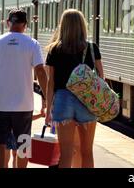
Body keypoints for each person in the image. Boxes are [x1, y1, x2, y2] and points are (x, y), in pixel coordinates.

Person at [0, 9, 48, 168]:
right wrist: (46, 97)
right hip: (23, 105)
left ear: (8, 22)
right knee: (23, 143)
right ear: (25, 24)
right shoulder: (32, 44)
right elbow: (40, 71)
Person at [45, 9, 105, 168]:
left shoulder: (54, 49)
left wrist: (47, 108)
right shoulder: (92, 48)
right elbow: (101, 78)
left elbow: (50, 82)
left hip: (62, 100)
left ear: (62, 26)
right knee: (86, 152)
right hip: (87, 99)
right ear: (82, 25)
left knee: (66, 153)